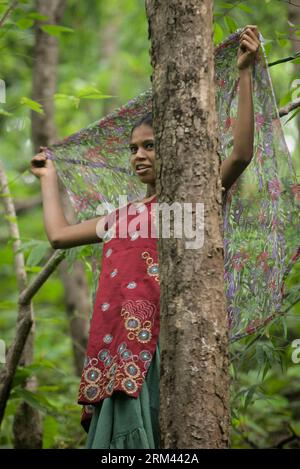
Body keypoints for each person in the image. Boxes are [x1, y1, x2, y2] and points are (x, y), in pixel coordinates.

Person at [30, 26, 260, 449]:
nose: (139, 155)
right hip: (114, 346)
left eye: (150, 146)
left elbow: (241, 154)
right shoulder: (121, 217)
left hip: (161, 345)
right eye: (133, 149)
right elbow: (59, 236)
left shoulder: (190, 201)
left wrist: (244, 72)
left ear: (173, 146)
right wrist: (49, 177)